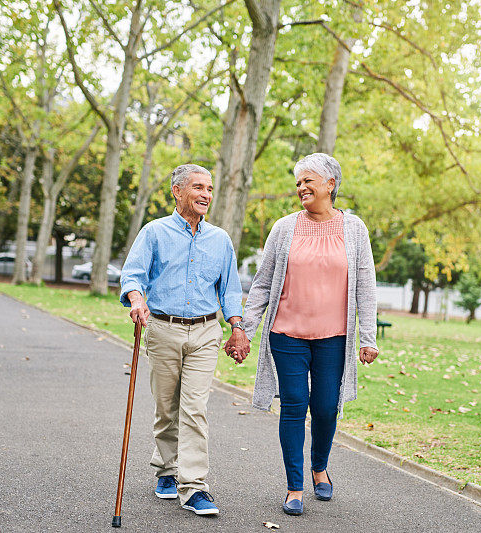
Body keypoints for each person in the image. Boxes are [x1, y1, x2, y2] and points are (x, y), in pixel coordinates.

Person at [225, 152, 379, 516]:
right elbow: (262, 284)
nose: (301, 188)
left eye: (308, 180)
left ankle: (319, 467)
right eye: (297, 182)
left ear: (330, 184)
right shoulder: (284, 227)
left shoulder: (354, 229)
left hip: (334, 337)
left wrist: (368, 337)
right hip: (287, 334)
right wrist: (243, 330)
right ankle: (295, 486)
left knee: (326, 407)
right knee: (294, 405)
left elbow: (366, 287)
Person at [120, 163, 250, 516]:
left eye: (209, 188)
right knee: (167, 408)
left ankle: (193, 487)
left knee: (195, 408)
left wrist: (238, 327)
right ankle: (165, 467)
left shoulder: (220, 239)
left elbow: (230, 289)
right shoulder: (154, 232)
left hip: (206, 331)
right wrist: (136, 300)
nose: (206, 194)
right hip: (163, 328)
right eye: (198, 187)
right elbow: (132, 275)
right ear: (177, 192)